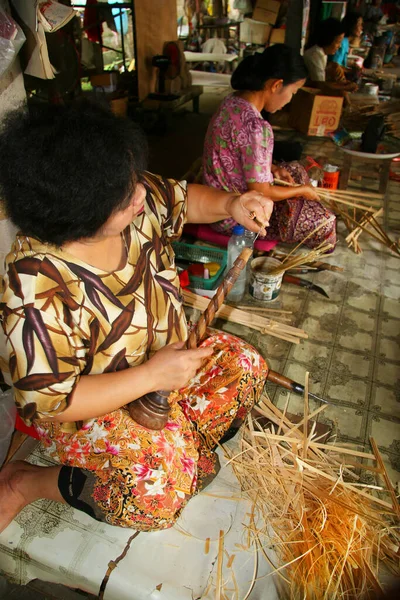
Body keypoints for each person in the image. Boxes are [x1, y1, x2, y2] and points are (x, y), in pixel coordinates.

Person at [0, 101, 274, 533]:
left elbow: (183, 200)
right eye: (127, 193)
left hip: (164, 364)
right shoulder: (36, 287)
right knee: (156, 495)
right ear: (78, 214)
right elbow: (54, 403)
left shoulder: (123, 195)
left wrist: (232, 203)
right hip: (91, 407)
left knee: (244, 367)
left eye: (132, 179)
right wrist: (150, 377)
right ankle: (27, 481)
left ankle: (178, 443)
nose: (141, 193)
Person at [203, 44, 336, 249]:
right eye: (293, 92)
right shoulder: (257, 127)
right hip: (236, 218)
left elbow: (241, 152)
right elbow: (262, 192)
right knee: (325, 223)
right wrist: (301, 191)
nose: (290, 100)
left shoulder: (232, 102)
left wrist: (272, 168)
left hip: (215, 203)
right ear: (276, 85)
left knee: (294, 170)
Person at [327, 13, 363, 84]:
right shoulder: (342, 42)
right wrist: (351, 71)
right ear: (351, 25)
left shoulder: (345, 41)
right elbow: (334, 67)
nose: (361, 28)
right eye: (359, 24)